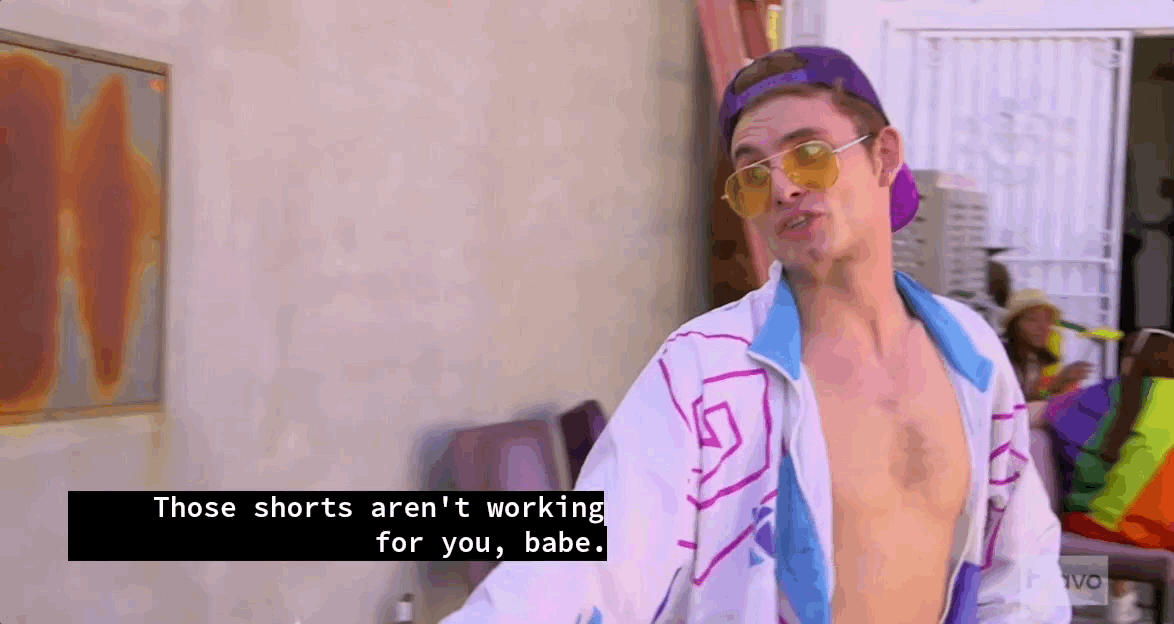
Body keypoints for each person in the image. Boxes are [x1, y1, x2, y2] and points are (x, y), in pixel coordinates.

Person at [440, 47, 1069, 624]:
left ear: (884, 154)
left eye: (810, 155)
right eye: (754, 177)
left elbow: (1022, 568)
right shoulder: (707, 372)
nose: (784, 188)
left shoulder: (972, 355)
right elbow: (590, 554)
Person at [1000, 289, 1092, 402]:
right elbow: (1015, 407)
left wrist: (1061, 385)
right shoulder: (1002, 360)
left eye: (1047, 320)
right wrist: (1057, 384)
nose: (1043, 327)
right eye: (1033, 319)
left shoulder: (1034, 358)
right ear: (1014, 324)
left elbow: (1033, 398)